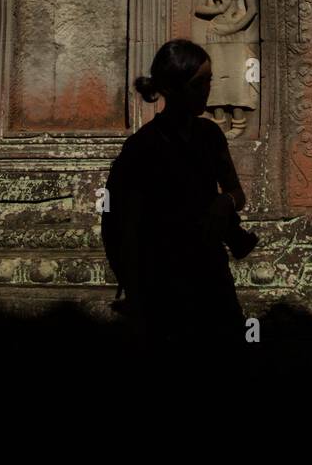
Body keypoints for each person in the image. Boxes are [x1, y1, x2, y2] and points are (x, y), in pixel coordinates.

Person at [102, 39, 256, 358]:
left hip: (210, 272)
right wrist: (136, 294)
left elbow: (236, 193)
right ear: (171, 88)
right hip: (164, 278)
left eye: (209, 81)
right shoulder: (142, 148)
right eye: (198, 84)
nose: (207, 91)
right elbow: (119, 227)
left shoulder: (210, 136)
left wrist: (224, 203)